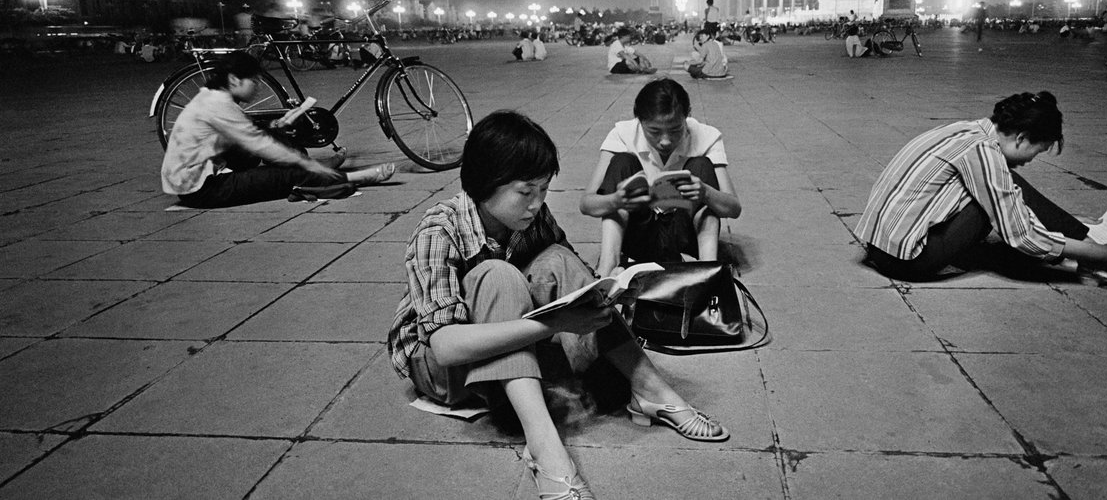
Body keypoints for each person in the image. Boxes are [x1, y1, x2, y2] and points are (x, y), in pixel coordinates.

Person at [388, 111, 728, 500]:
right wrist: (555, 325)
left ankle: (651, 390)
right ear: (485, 184)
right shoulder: (439, 229)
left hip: (507, 346)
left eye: (544, 190)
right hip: (441, 370)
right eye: (526, 192)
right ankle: (544, 446)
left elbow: (569, 273)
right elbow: (445, 347)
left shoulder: (529, 218)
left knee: (558, 259)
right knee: (497, 274)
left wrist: (611, 291)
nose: (537, 204)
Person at [856, 91, 1107, 289]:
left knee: (1008, 188)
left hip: (878, 247)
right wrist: (1099, 254)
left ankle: (1084, 241)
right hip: (906, 262)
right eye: (1036, 152)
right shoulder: (984, 152)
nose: (1030, 160)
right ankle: (1095, 255)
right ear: (1022, 137)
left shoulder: (967, 129)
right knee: (1005, 204)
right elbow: (1020, 235)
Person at [161, 51, 394, 208]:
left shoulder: (211, 98)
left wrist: (278, 128)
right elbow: (263, 147)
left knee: (275, 137)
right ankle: (350, 177)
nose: (258, 87)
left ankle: (320, 172)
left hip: (200, 177)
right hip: (205, 190)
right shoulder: (219, 106)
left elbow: (250, 137)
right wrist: (305, 162)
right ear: (234, 80)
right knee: (288, 175)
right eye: (254, 81)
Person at [581, 78, 742, 277]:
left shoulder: (706, 136)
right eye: (654, 132)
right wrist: (615, 200)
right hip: (640, 236)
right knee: (622, 162)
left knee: (701, 166)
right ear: (639, 121)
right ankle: (606, 270)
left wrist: (706, 193)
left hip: (684, 236)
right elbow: (587, 204)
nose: (665, 141)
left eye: (675, 130)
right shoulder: (622, 134)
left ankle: (707, 271)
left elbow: (734, 208)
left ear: (687, 115)